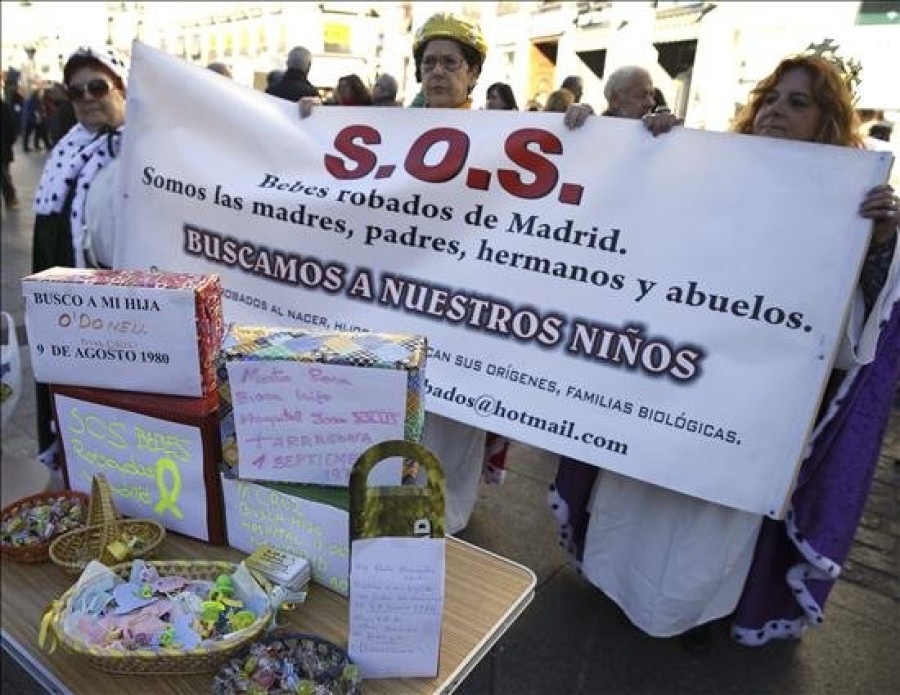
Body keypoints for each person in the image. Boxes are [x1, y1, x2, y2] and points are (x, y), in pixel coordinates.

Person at [552, 54, 899, 645]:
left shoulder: (847, 204)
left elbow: (848, 342)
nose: (777, 112)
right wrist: (628, 144)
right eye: (771, 98)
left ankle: (696, 615)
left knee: (706, 518)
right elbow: (629, 223)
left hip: (750, 401)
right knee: (640, 490)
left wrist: (880, 240)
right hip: (667, 373)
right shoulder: (710, 167)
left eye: (798, 102)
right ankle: (614, 584)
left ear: (826, 119)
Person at [300, 12, 511, 533]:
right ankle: (390, 503)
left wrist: (586, 127)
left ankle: (447, 517)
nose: (438, 72)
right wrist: (306, 124)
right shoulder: (390, 130)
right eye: (429, 63)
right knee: (395, 413)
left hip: (464, 307)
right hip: (396, 306)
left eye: (451, 63)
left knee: (452, 423)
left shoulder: (504, 134)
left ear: (473, 74)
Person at [30, 45, 128, 489]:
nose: (86, 98)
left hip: (133, 312)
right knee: (82, 409)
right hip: (77, 309)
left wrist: (303, 123)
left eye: (97, 86)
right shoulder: (68, 151)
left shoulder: (157, 145)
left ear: (122, 89)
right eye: (76, 91)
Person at [1, 94, 20, 210]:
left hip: (3, 148)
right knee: (4, 174)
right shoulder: (5, 107)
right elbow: (12, 128)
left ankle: (10, 198)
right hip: (4, 148)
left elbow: (11, 128)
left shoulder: (4, 107)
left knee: (4, 175)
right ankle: (10, 199)